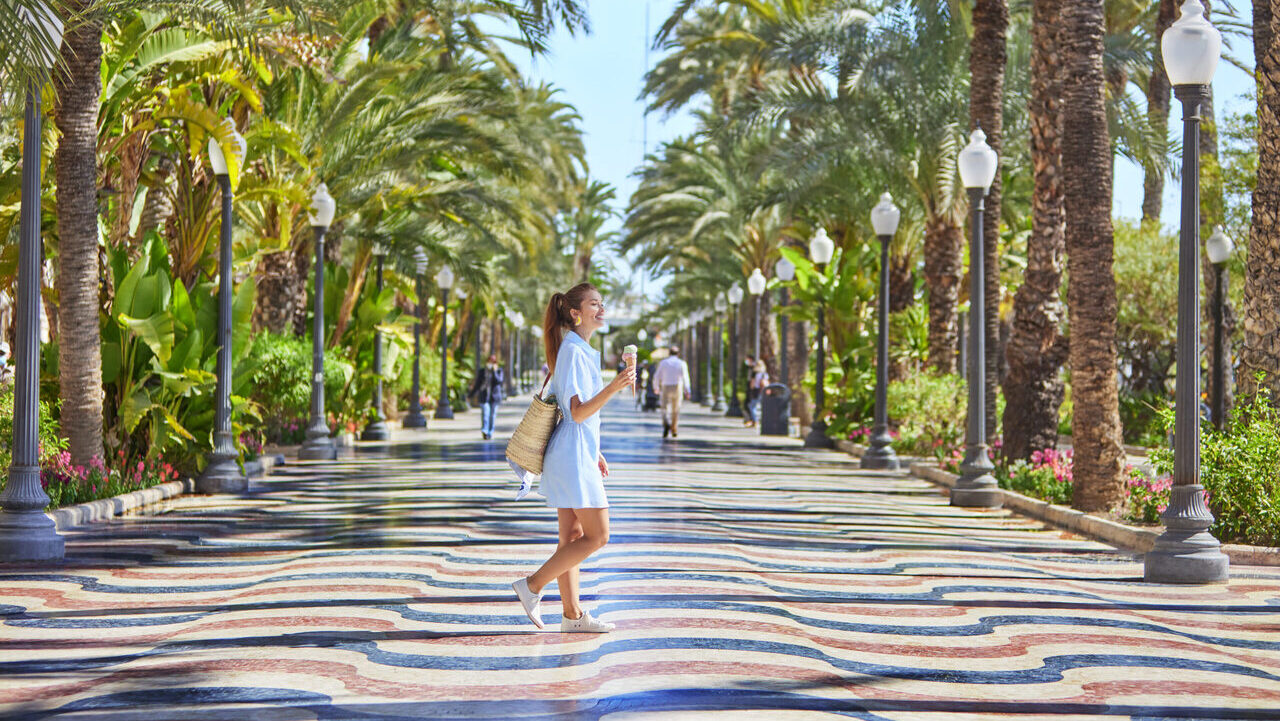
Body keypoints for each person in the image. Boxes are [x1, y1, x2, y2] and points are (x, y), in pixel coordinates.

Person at [511, 282, 634, 633]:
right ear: (576, 313)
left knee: (571, 537)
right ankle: (532, 585)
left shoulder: (576, 349)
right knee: (598, 536)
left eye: (602, 303)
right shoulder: (575, 352)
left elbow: (575, 414)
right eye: (594, 304)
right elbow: (578, 412)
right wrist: (614, 386)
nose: (601, 309)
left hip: (575, 451)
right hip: (572, 455)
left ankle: (572, 617)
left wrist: (595, 450)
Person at [653, 346, 691, 438]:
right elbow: (685, 377)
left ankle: (666, 423)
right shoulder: (681, 363)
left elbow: (657, 376)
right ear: (678, 354)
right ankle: (674, 428)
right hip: (677, 386)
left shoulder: (663, 363)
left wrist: (656, 387)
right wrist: (687, 390)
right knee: (676, 409)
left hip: (665, 386)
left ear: (669, 353)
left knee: (664, 407)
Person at [468, 354, 504, 439]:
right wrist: (470, 395)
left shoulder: (499, 371)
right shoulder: (482, 371)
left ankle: (490, 432)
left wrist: (494, 372)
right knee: (485, 414)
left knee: (492, 416)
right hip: (484, 397)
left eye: (493, 362)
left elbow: (499, 381)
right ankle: (485, 431)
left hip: (494, 398)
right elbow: (477, 385)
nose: (491, 364)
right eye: (489, 362)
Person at [746, 360, 770, 428]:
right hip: (763, 392)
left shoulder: (755, 374)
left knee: (752, 406)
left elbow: (752, 385)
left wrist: (750, 388)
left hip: (756, 391)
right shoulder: (765, 374)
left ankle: (756, 420)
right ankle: (762, 420)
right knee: (762, 407)